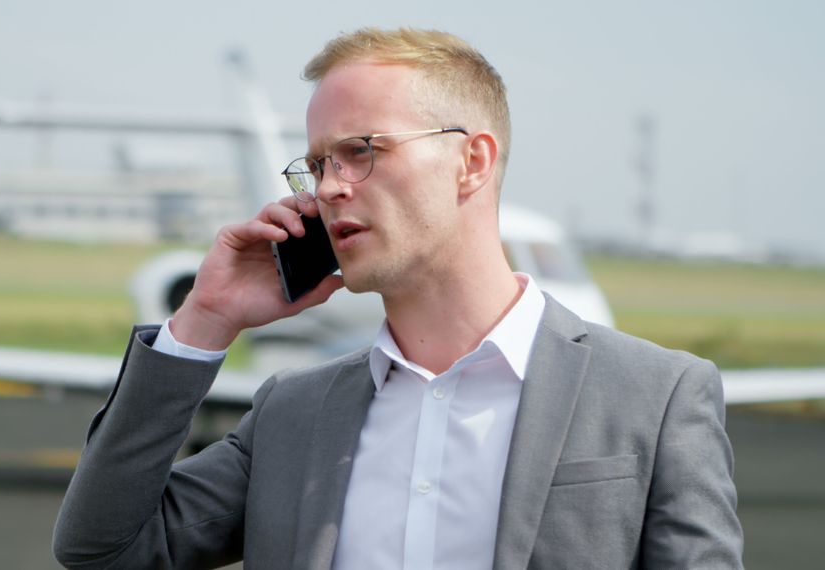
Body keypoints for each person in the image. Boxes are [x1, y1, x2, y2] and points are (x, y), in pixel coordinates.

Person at [53, 28, 743, 569]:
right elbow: (103, 549)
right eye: (320, 163)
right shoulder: (291, 413)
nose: (327, 188)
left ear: (471, 161)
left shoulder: (656, 398)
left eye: (361, 150)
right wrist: (203, 321)